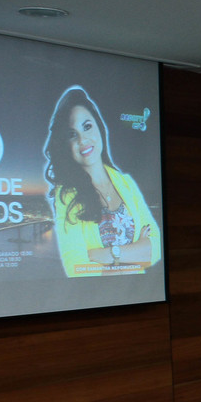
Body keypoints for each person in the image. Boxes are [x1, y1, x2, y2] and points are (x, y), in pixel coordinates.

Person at [43, 86, 161, 277]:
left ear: (99, 127)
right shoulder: (66, 195)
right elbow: (76, 267)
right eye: (72, 134)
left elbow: (155, 248)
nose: (83, 139)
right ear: (66, 144)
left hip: (137, 293)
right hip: (101, 297)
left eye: (87, 126)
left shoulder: (126, 183)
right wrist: (137, 253)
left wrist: (109, 254)